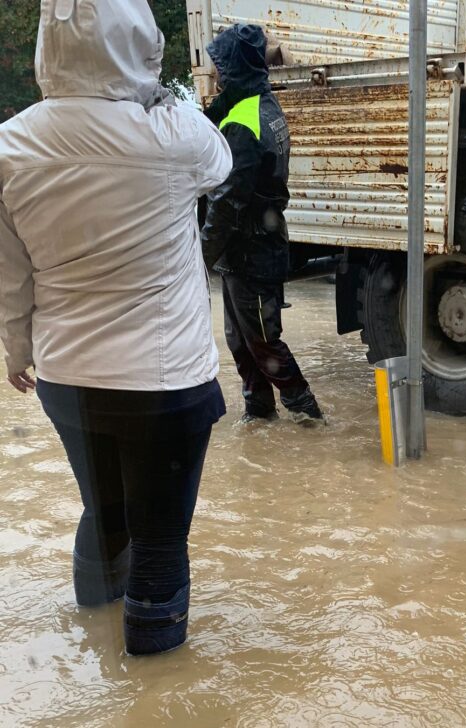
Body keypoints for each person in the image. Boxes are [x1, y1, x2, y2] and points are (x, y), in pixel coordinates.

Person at [0, 0, 233, 656]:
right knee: (160, 540)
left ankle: (96, 657)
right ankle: (154, 689)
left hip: (67, 378)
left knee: (104, 517)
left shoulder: (9, 145)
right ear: (139, 43)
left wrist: (17, 348)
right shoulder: (172, 133)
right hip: (165, 384)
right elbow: (221, 165)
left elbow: (9, 271)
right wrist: (162, 100)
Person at [201, 24, 324, 426]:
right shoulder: (256, 104)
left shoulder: (245, 121)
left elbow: (227, 201)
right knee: (242, 342)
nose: (213, 72)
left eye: (218, 64)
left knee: (264, 343)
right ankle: (259, 413)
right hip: (249, 253)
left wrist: (200, 258)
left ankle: (307, 414)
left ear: (233, 67)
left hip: (251, 254)